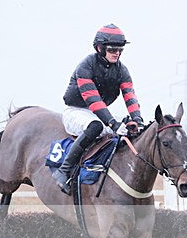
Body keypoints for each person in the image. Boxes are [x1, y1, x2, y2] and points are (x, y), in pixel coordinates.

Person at [53, 23, 145, 194]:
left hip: (97, 112)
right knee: (95, 126)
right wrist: (112, 123)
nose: (116, 53)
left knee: (127, 128)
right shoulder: (85, 66)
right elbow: (93, 100)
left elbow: (130, 96)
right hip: (76, 110)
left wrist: (137, 120)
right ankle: (64, 170)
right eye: (112, 49)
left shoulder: (122, 70)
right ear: (99, 48)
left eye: (120, 49)